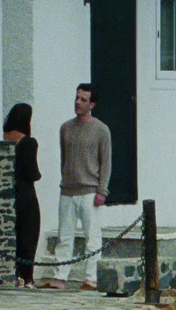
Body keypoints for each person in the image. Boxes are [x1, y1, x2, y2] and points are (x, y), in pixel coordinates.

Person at [44, 83, 111, 290]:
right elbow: (65, 158)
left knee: (92, 237)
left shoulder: (101, 130)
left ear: (92, 104)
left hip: (90, 190)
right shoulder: (65, 128)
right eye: (77, 98)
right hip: (68, 190)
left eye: (83, 99)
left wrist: (102, 190)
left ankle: (91, 278)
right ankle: (60, 277)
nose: (78, 102)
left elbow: (106, 162)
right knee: (64, 237)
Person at [3, 103, 42, 288]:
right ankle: (27, 277)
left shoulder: (5, 139)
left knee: (16, 234)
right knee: (29, 234)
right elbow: (32, 173)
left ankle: (16, 275)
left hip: (11, 192)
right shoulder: (29, 142)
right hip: (26, 193)